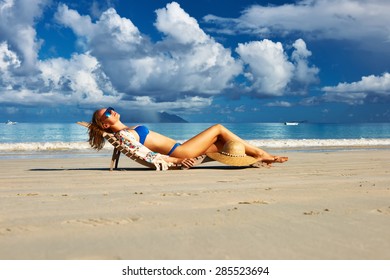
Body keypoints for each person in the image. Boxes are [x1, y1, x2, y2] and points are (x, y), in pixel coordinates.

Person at [88, 107, 288, 169]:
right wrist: (176, 161)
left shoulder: (127, 131)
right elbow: (145, 155)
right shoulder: (125, 135)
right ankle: (261, 153)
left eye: (111, 109)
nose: (111, 112)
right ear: (105, 125)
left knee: (224, 144)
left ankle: (254, 159)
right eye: (107, 114)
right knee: (218, 128)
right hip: (181, 152)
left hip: (181, 147)